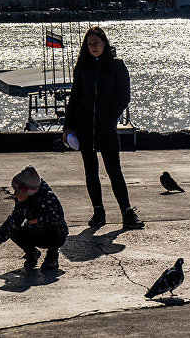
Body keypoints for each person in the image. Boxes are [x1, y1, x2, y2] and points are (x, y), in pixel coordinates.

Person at [63, 26, 144, 229]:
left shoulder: (116, 66)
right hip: (84, 126)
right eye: (89, 44)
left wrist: (110, 117)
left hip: (106, 126)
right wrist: (68, 127)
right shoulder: (82, 67)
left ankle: (127, 212)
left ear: (104, 43)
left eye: (96, 43)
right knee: (91, 171)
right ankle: (98, 211)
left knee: (114, 170)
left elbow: (124, 96)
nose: (93, 47)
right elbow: (74, 98)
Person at [0, 166, 68, 271]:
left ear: (28, 192)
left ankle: (52, 257)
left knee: (53, 229)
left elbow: (57, 218)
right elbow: (13, 220)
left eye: (18, 192)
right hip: (35, 232)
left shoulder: (47, 197)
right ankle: (32, 253)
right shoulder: (22, 200)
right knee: (13, 229)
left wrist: (39, 220)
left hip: (54, 235)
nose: (15, 194)